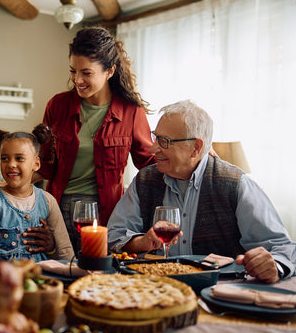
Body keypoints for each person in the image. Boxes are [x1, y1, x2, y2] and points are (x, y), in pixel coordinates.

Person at [107, 100, 295, 284]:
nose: (153, 148)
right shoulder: (144, 180)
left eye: (164, 142)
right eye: (156, 137)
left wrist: (274, 266)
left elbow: (282, 247)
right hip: (156, 288)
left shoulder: (236, 184)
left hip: (218, 292)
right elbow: (113, 236)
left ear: (196, 147)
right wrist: (143, 242)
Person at [36, 26, 156, 256]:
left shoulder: (131, 111)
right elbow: (44, 166)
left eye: (86, 73)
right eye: (73, 71)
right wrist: (7, 185)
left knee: (99, 280)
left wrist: (192, 158)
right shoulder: (57, 105)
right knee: (60, 273)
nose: (77, 80)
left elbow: (149, 163)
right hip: (59, 208)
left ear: (109, 71)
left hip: (108, 213)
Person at [0, 130, 74, 262]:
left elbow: (65, 251)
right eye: (4, 158)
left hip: (43, 278)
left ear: (36, 164)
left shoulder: (48, 201)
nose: (11, 164)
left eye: (19, 158)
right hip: (6, 280)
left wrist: (52, 248)